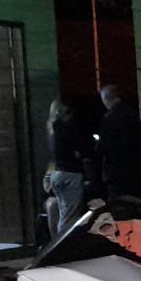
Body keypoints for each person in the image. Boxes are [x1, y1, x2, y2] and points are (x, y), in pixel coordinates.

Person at [43, 100, 85, 236]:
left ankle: (58, 241)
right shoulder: (65, 129)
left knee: (63, 213)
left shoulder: (51, 129)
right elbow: (77, 151)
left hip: (58, 172)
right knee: (70, 216)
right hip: (70, 172)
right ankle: (64, 244)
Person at [97, 85, 141, 200]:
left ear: (106, 99)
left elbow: (103, 146)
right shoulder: (133, 115)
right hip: (134, 167)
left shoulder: (108, 118)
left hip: (114, 170)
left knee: (118, 203)